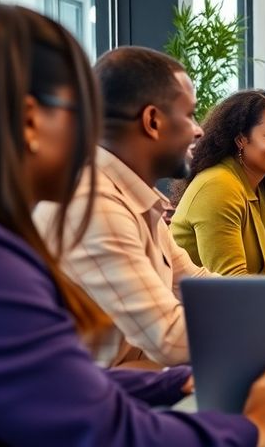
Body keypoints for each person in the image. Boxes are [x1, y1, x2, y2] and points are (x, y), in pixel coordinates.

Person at [0, 1, 265, 446]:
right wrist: (255, 427)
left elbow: (56, 381)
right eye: (79, 110)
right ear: (30, 120)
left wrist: (169, 383)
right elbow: (110, 426)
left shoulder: (12, 237)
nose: (200, 129)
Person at [32, 46, 210, 368]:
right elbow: (170, 339)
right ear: (152, 121)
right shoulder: (94, 203)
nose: (198, 129)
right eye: (189, 114)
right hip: (93, 406)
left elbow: (195, 285)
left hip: (134, 386)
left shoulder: (133, 197)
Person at [171, 90, 265, 275]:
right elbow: (232, 281)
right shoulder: (217, 186)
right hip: (197, 302)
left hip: (234, 299)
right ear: (241, 140)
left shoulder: (258, 184)